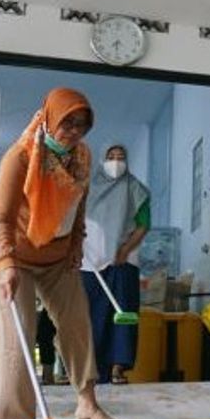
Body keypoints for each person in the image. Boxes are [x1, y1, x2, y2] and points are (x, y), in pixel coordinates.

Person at [0, 87, 120, 419]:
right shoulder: (21, 157)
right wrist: (8, 265)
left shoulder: (82, 157)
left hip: (56, 255)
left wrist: (75, 245)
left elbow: (78, 207)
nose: (73, 133)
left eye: (82, 125)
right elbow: (1, 217)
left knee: (77, 323)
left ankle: (87, 404)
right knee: (19, 333)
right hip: (12, 251)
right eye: (67, 123)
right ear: (49, 118)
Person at [81, 144, 150, 384]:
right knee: (93, 315)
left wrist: (125, 249)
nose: (116, 161)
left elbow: (143, 224)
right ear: (103, 160)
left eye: (121, 157)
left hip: (123, 261)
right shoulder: (88, 189)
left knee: (123, 314)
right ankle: (92, 369)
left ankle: (118, 368)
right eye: (111, 157)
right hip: (90, 263)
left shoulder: (136, 189)